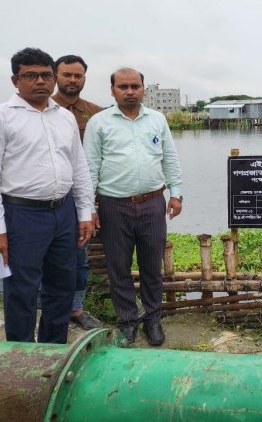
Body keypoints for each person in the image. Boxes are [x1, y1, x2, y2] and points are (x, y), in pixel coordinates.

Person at [0, 47, 95, 343]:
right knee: (22, 288)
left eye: (46, 75)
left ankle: (53, 350)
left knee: (62, 286)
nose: (40, 81)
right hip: (22, 214)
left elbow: (79, 167)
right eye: (30, 75)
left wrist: (84, 213)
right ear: (14, 80)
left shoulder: (64, 118)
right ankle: (20, 356)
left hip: (63, 212)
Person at [83, 68, 183, 346]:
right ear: (112, 90)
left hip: (152, 203)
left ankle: (153, 318)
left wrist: (176, 193)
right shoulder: (99, 122)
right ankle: (128, 320)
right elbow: (90, 167)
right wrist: (89, 208)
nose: (129, 91)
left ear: (144, 89)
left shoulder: (157, 119)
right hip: (114, 206)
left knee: (152, 265)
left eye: (135, 86)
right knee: (119, 267)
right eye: (123, 87)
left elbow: (170, 159)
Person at [52, 54, 104, 330]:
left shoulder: (96, 113)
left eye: (78, 75)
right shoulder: (43, 109)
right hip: (45, 197)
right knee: (40, 256)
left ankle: (76, 309)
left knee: (79, 258)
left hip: (83, 198)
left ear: (84, 78)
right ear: (55, 76)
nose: (72, 80)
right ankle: (46, 307)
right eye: (67, 75)